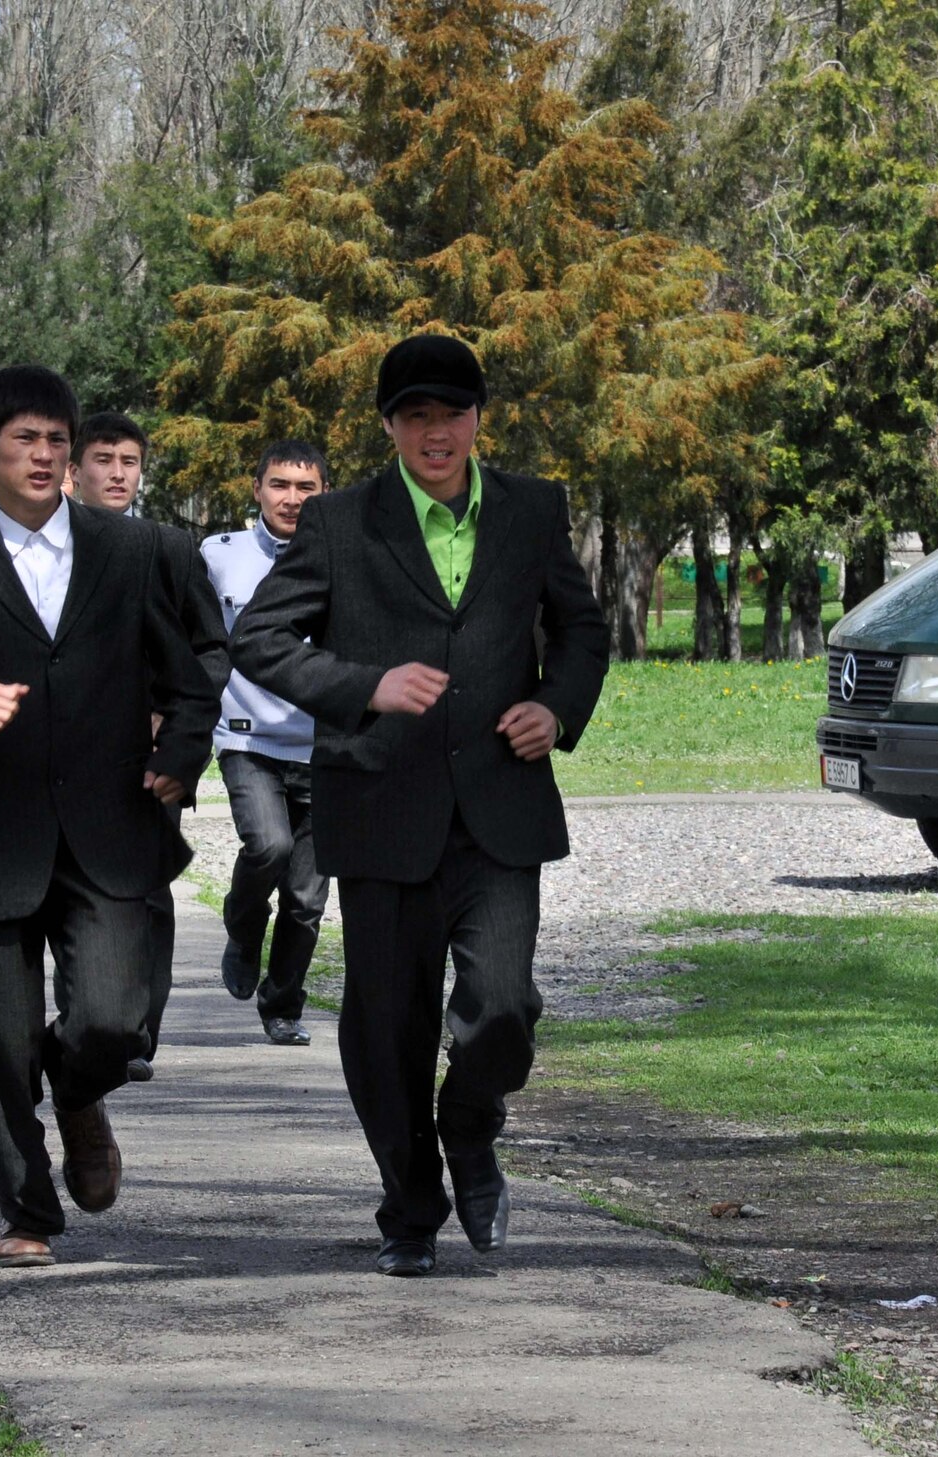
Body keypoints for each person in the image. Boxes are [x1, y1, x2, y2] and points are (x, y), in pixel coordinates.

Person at [232, 334, 609, 1277]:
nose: (435, 433)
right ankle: (410, 1207)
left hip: (499, 807)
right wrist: (364, 685)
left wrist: (555, 708)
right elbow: (260, 639)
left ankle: (470, 1127)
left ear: (479, 418)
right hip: (380, 805)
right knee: (386, 1029)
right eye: (414, 416)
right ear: (390, 425)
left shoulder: (530, 510)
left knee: (502, 1009)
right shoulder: (339, 523)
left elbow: (583, 628)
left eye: (451, 413)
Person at [0, 366, 224, 1269]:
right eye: (23, 439)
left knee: (110, 1021)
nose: (42, 455)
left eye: (54, 440)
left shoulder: (134, 552)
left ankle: (80, 1098)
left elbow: (195, 675)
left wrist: (178, 757)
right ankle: (29, 1204)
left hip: (110, 827)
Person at [69, 410, 232, 1083]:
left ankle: (135, 1030)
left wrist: (178, 726)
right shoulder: (44, 554)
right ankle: (82, 1025)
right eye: (103, 458)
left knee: (144, 892)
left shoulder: (169, 549)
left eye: (128, 460)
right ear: (74, 468)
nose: (117, 472)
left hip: (148, 760)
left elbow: (212, 649)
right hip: (63, 757)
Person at [203, 441, 333, 1048]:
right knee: (268, 845)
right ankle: (243, 925)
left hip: (324, 746)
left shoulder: (346, 558)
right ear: (256, 489)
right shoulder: (217, 556)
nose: (292, 499)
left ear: (324, 495)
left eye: (306, 489)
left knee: (307, 897)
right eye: (279, 485)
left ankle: (282, 1004)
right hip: (247, 738)